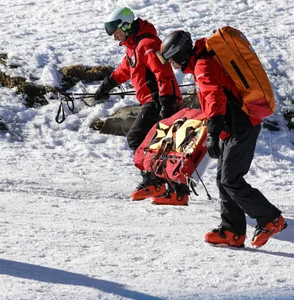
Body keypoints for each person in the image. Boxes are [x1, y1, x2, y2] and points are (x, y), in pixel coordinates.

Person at [158, 30, 287, 248]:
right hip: (233, 127)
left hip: (241, 127)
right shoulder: (202, 62)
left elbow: (214, 98)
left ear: (180, 54)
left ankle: (270, 219)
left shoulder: (202, 65)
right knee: (223, 180)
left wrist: (214, 134)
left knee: (231, 180)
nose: (173, 65)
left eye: (172, 60)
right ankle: (232, 232)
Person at [95, 7, 182, 199]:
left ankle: (153, 183)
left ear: (125, 26)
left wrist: (166, 103)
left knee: (137, 138)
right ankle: (172, 188)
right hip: (154, 100)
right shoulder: (133, 47)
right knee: (159, 143)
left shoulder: (148, 44)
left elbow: (163, 74)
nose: (115, 38)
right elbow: (124, 70)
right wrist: (106, 86)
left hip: (160, 100)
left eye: (116, 32)